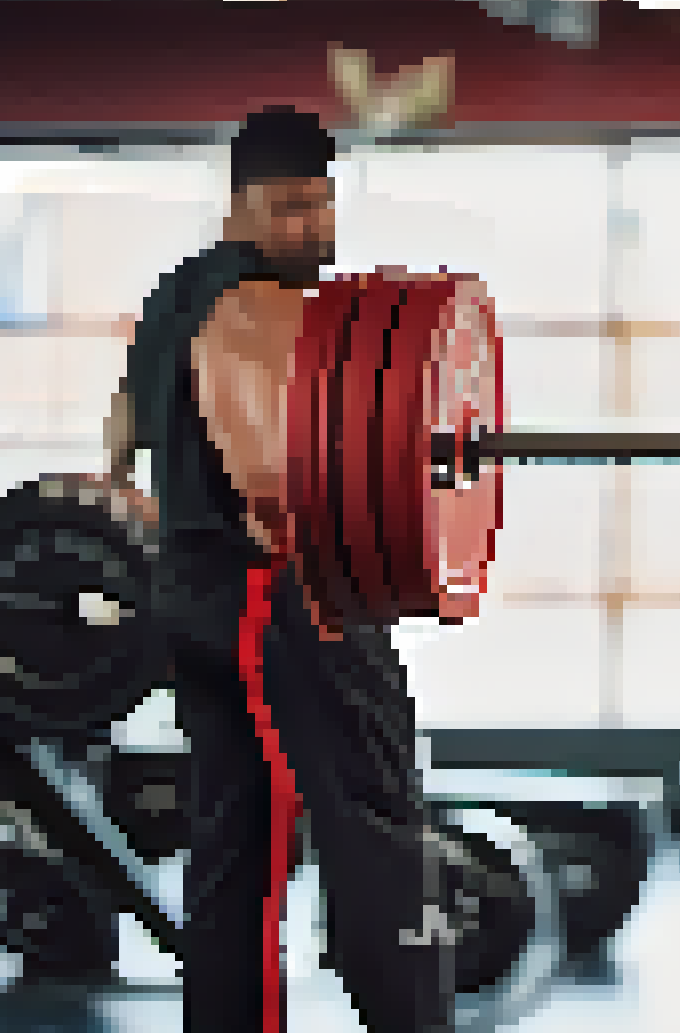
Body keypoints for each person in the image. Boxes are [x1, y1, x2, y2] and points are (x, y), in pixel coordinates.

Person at [101, 106, 454, 1032]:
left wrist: (172, 516)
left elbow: (120, 440)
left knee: (236, 845)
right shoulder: (257, 300)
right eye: (292, 208)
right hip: (281, 597)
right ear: (240, 205)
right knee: (375, 819)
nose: (316, 228)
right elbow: (273, 475)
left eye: (324, 205)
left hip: (198, 598)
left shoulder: (173, 295)